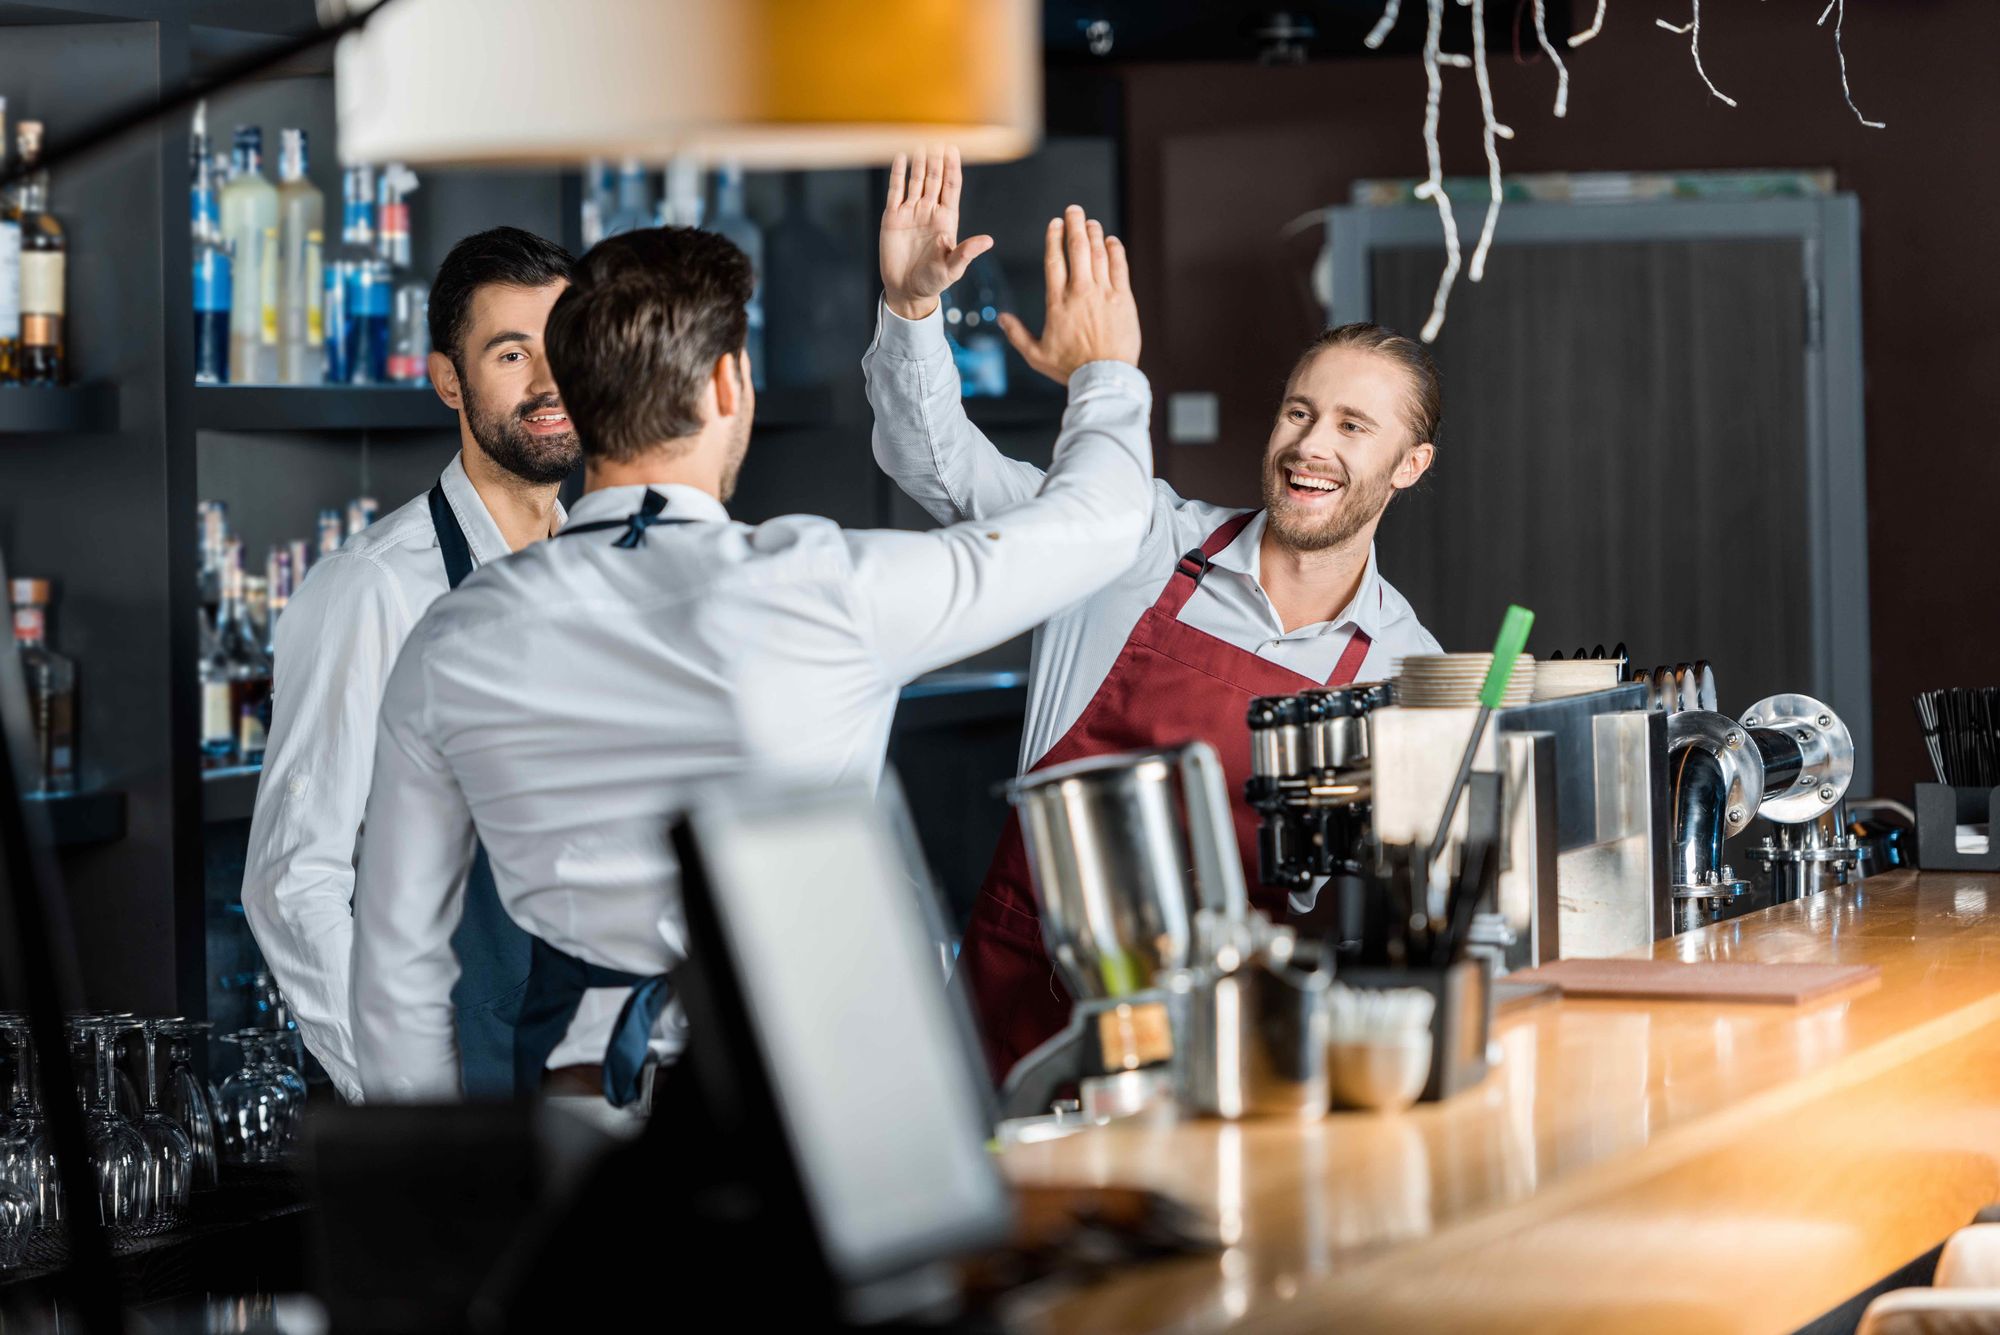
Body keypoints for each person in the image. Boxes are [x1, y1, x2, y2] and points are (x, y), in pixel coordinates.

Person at [348, 198, 1154, 1108]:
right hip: (816, 1100)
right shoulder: (822, 587)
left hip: (577, 1108)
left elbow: (396, 962)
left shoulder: (455, 633)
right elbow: (1103, 523)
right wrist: (1106, 374)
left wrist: (440, 1203)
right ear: (730, 385)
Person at [865, 148, 1445, 1081]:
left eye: (1352, 426)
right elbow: (936, 464)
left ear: (1408, 466)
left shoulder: (1405, 674)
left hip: (1225, 1061)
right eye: (1299, 413)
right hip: (1016, 1019)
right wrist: (910, 311)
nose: (1310, 446)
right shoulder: (1131, 535)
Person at [241, 227, 581, 1102]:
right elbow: (294, 881)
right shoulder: (373, 587)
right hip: (465, 1108)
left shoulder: (606, 564)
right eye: (511, 354)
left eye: (568, 344)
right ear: (446, 379)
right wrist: (417, 1104)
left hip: (600, 1087)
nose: (550, 384)